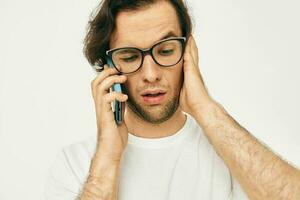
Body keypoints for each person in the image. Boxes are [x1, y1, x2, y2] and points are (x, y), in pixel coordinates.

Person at [45, 0, 300, 199]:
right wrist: (108, 159)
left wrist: (205, 109)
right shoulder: (75, 164)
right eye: (130, 57)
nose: (151, 75)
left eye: (166, 50)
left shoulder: (232, 154)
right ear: (109, 67)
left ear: (188, 51)